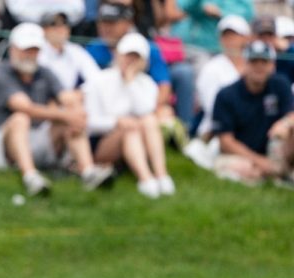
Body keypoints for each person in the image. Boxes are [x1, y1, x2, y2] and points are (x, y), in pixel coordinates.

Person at [0, 23, 113, 196]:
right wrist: (65, 115)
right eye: (26, 50)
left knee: (71, 118)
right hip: (3, 146)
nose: (30, 55)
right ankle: (30, 177)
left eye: (34, 50)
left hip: (41, 139)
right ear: (13, 49)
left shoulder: (45, 72)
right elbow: (25, 107)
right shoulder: (0, 72)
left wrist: (76, 112)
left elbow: (67, 98)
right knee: (20, 119)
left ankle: (88, 172)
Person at [83, 33, 176, 198]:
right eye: (127, 55)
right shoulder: (99, 80)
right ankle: (145, 178)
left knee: (148, 120)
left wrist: (130, 81)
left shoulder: (146, 83)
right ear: (118, 54)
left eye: (136, 58)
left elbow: (145, 111)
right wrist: (116, 122)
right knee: (131, 128)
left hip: (136, 137)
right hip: (102, 143)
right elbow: (89, 122)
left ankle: (161, 175)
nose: (130, 61)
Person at [87, 1, 194, 132]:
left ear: (128, 23)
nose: (105, 28)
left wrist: (152, 110)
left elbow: (163, 86)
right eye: (102, 22)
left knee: (183, 74)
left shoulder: (146, 48)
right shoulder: (93, 48)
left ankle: (187, 131)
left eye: (112, 23)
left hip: (142, 106)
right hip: (110, 110)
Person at [211, 40, 294, 186]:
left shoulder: (280, 84)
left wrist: (284, 123)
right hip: (243, 155)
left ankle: (281, 172)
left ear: (272, 65)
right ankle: (275, 174)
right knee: (242, 168)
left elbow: (291, 115)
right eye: (254, 61)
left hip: (275, 149)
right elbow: (226, 141)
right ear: (245, 64)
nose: (259, 66)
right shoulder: (226, 95)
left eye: (264, 62)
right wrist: (259, 161)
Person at [183, 15, 249, 169]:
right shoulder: (212, 68)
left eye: (235, 35)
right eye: (226, 36)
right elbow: (213, 109)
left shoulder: (254, 65)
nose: (230, 40)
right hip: (217, 129)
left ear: (245, 38)